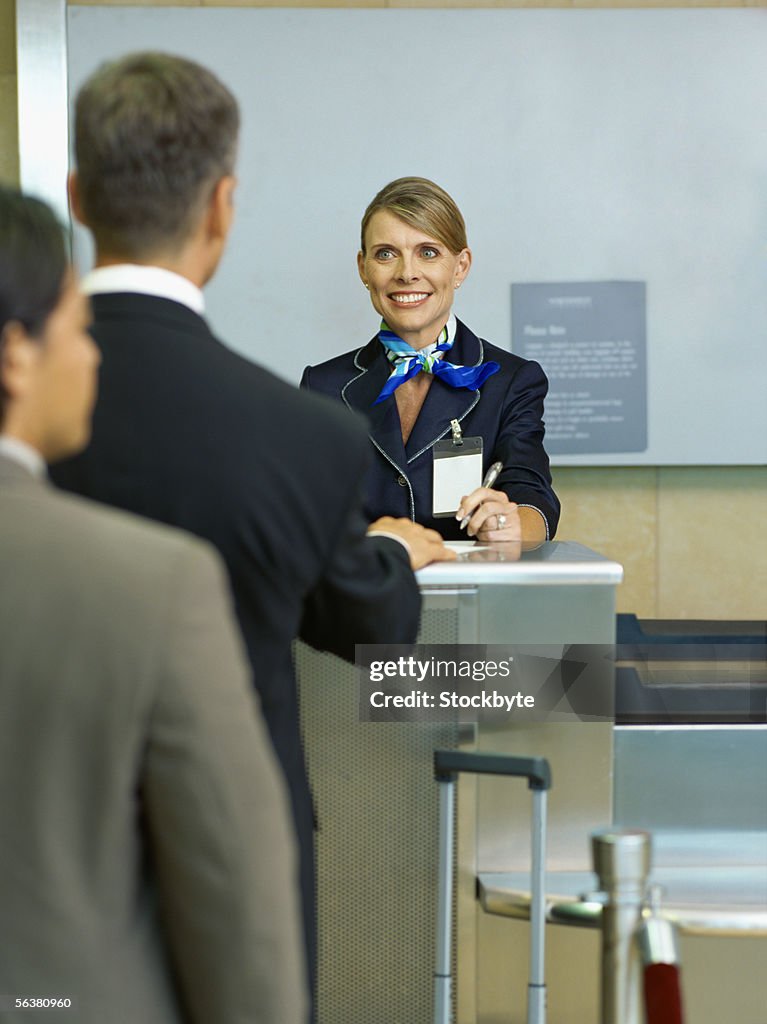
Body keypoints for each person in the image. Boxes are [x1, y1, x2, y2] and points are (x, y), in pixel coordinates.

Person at [49, 54, 453, 1018]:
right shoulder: (299, 430)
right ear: (222, 207)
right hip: (236, 859)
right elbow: (366, 626)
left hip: (39, 842)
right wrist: (397, 549)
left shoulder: (28, 406)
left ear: (76, 197)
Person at [0, 187, 306, 1023]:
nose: (94, 356)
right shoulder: (150, 584)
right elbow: (233, 901)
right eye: (76, 326)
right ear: (16, 355)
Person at [301, 176, 561, 544]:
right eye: (386, 254)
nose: (407, 273)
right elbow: (304, 513)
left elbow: (532, 494)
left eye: (428, 252)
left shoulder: (511, 381)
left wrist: (513, 524)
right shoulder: (323, 386)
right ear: (363, 268)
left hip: (473, 596)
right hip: (364, 595)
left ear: (460, 267)